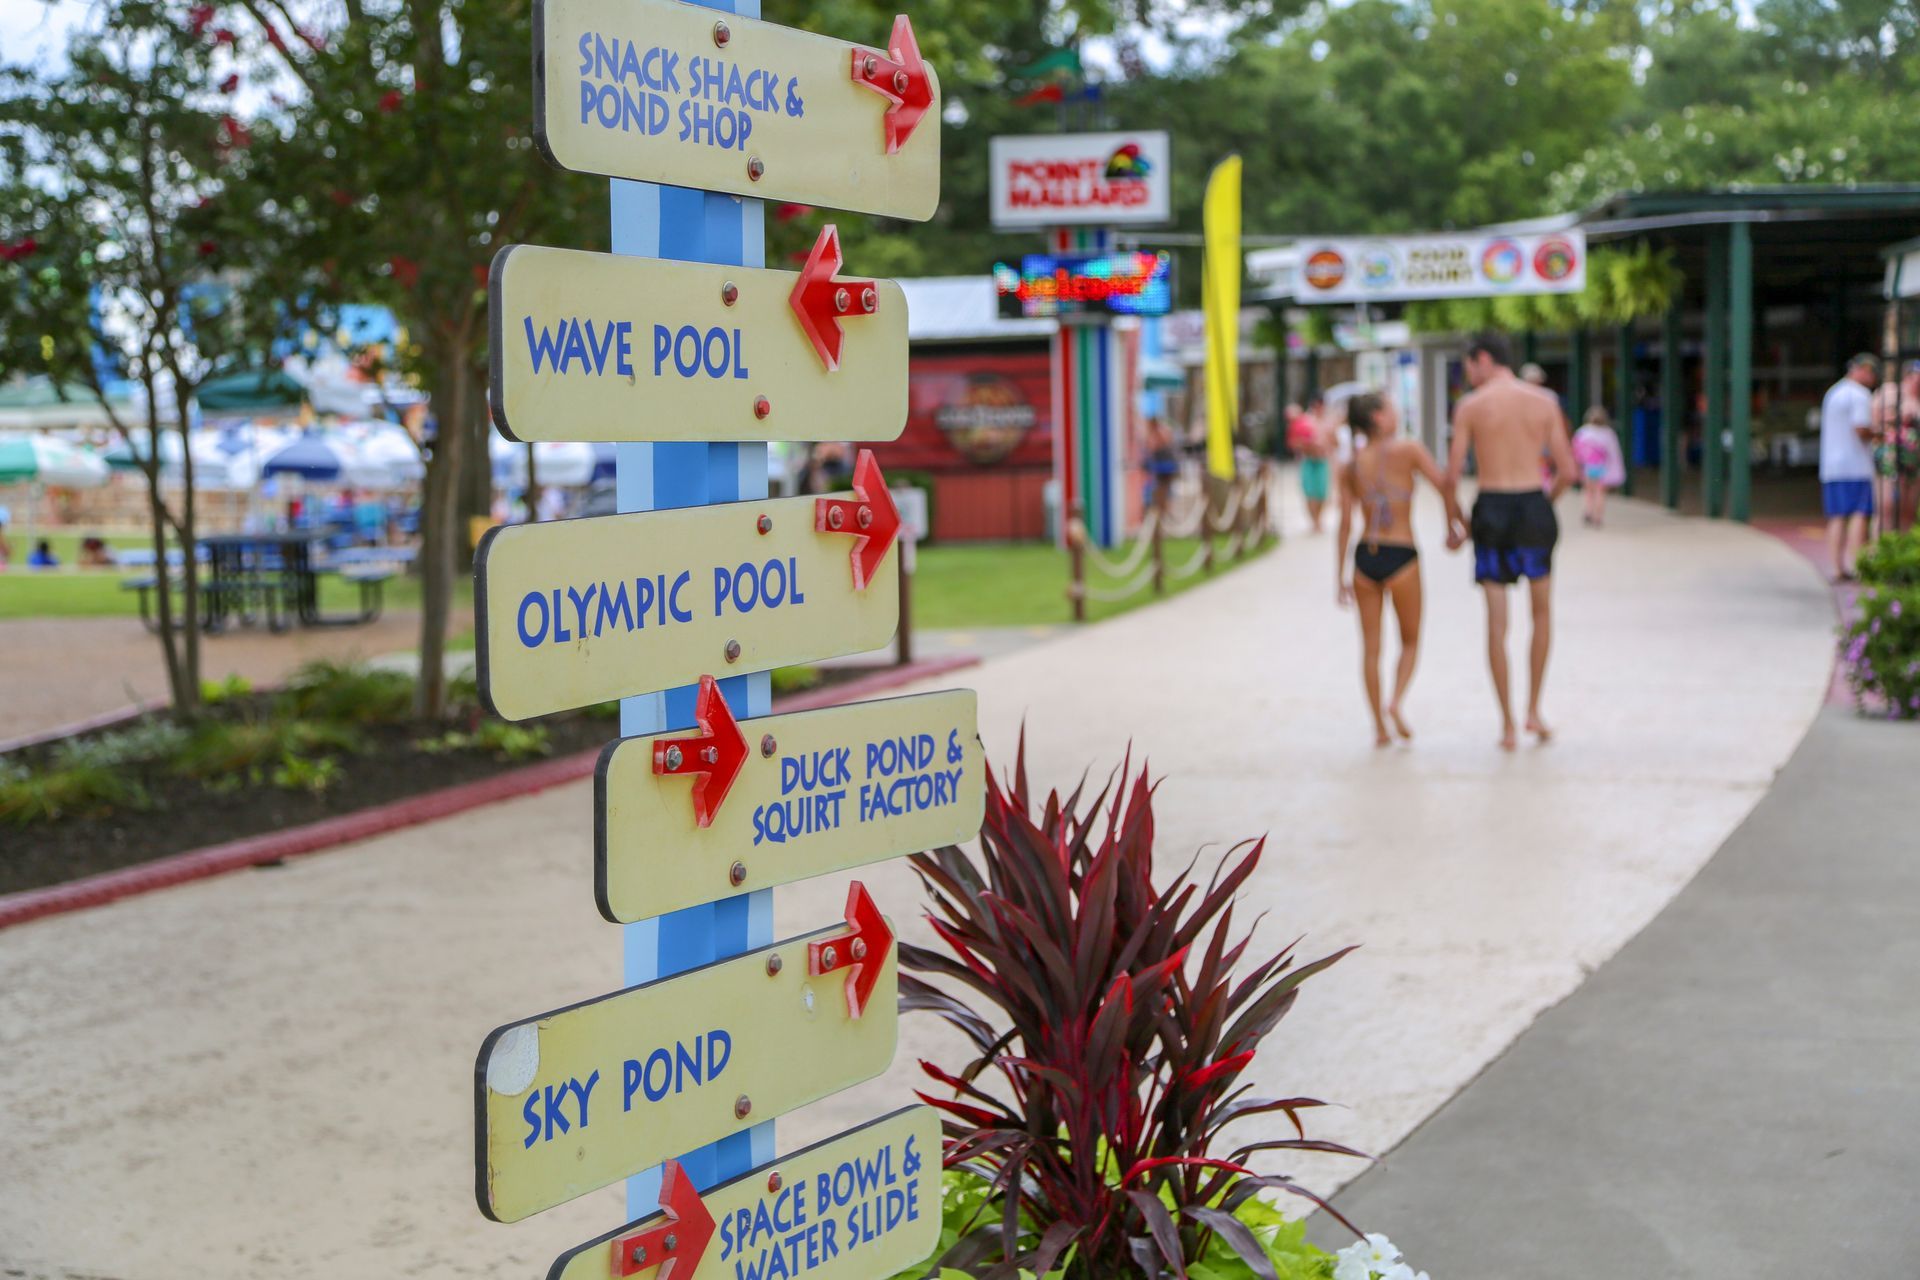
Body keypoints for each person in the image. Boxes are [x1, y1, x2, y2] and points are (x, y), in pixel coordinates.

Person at [1448, 331, 1578, 750]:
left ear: (1482, 359)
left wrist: (1458, 523)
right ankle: (1534, 711)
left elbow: (1451, 476)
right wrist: (1544, 504)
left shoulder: (1470, 407)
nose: (1469, 374)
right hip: (1532, 505)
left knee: (1496, 624)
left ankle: (1506, 723)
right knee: (1541, 614)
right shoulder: (1544, 402)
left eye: (1469, 366)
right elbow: (1568, 471)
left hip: (1491, 508)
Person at [1335, 392, 1467, 747]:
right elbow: (1445, 485)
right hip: (1402, 553)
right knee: (1409, 640)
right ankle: (1395, 701)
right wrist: (1455, 525)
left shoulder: (1349, 464)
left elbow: (1346, 522)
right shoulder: (1408, 450)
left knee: (1371, 648)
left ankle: (1378, 725)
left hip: (1365, 557)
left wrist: (1340, 576)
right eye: (1391, 408)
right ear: (1379, 417)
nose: (1396, 413)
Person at [1820, 353, 1879, 580]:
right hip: (1856, 465)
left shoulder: (1832, 393)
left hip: (1832, 466)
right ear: (1863, 370)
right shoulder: (1860, 395)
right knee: (1859, 514)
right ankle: (1858, 566)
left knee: (1836, 516)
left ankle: (1836, 568)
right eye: (1872, 373)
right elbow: (1861, 428)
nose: (1873, 379)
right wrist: (1882, 434)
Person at [1872, 359, 1920, 535]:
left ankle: (1903, 549)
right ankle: (1881, 549)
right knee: (1887, 507)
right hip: (1889, 457)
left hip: (1914, 461)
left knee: (1909, 510)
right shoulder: (1890, 391)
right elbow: (1874, 421)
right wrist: (1895, 416)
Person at [1572, 406, 1626, 528]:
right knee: (1600, 492)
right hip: (1602, 467)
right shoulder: (1608, 433)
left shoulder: (1582, 432)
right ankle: (1598, 517)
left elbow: (1576, 451)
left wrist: (1577, 466)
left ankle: (1588, 512)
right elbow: (1613, 453)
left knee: (1588, 491)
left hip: (1587, 467)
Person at [1288, 397, 1331, 532]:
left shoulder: (1329, 421)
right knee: (1309, 492)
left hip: (1322, 459)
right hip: (1307, 459)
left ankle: (1318, 519)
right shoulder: (1305, 420)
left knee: (1322, 493)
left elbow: (1334, 442)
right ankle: (1315, 522)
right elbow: (1293, 441)